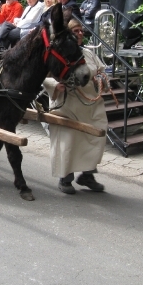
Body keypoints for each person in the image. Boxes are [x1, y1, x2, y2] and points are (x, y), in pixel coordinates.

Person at [42, 19, 107, 194]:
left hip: (91, 106)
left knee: (97, 135)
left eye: (81, 31)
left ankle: (87, 175)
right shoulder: (59, 54)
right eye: (76, 31)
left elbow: (101, 72)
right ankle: (65, 178)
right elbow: (43, 77)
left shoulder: (88, 53)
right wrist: (55, 86)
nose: (80, 33)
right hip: (67, 105)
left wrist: (100, 79)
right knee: (68, 141)